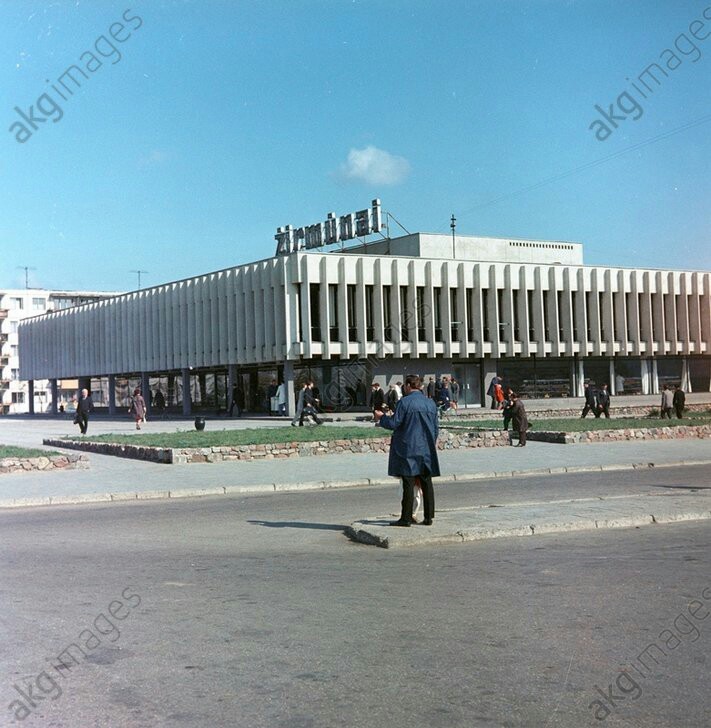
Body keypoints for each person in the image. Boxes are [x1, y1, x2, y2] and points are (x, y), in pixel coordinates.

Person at [374, 374, 439, 527]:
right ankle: (429, 517)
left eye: (405, 385)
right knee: (426, 483)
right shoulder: (430, 403)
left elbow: (394, 423)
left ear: (409, 385)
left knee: (408, 483)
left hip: (408, 448)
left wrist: (381, 418)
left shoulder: (404, 403)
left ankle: (406, 518)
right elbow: (436, 428)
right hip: (426, 449)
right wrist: (431, 443)